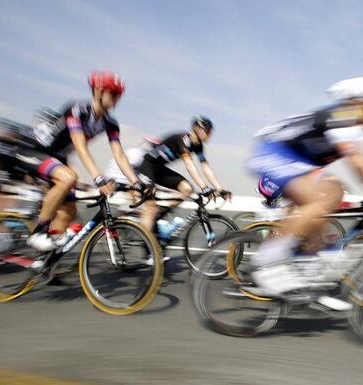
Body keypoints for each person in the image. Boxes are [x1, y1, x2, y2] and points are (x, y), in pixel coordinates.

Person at [246, 76, 363, 306]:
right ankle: (269, 258)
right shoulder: (344, 115)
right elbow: (359, 164)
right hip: (273, 151)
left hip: (298, 161)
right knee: (316, 202)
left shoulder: (354, 127)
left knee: (334, 192)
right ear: (357, 101)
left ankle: (312, 276)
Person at [17, 70, 148, 251]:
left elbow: (119, 154)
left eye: (119, 95)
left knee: (69, 212)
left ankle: (46, 263)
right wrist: (98, 179)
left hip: (58, 158)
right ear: (98, 91)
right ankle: (39, 232)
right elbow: (80, 147)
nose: (117, 98)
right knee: (69, 177)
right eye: (114, 93)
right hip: (34, 150)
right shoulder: (77, 109)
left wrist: (137, 183)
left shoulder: (110, 122)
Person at [137, 116, 231, 236]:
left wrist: (219, 189)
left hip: (159, 169)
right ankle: (149, 251)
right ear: (198, 129)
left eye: (210, 132)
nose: (210, 135)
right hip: (147, 166)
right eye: (207, 131)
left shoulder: (198, 145)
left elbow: (205, 167)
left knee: (187, 189)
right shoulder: (183, 139)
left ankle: (160, 216)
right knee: (150, 208)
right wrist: (204, 188)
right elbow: (189, 165)